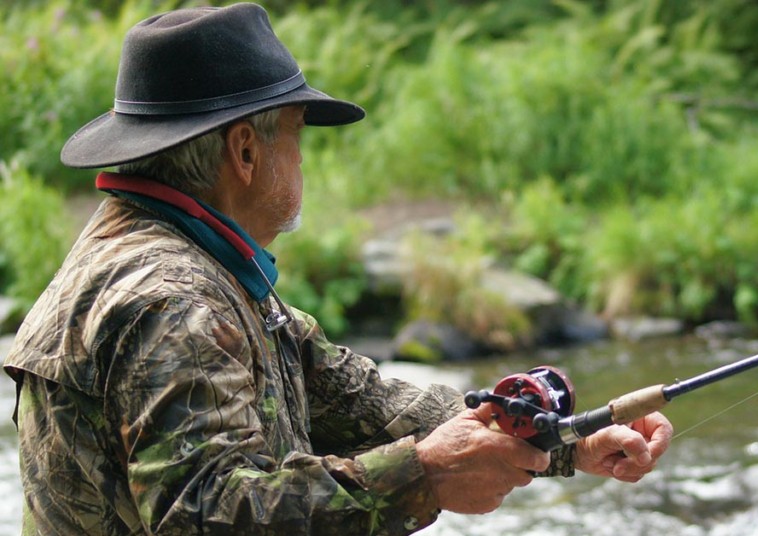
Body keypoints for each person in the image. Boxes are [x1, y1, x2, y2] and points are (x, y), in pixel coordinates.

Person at [3, 3, 673, 535]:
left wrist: (564, 442)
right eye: (295, 132)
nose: (302, 159)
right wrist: (424, 477)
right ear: (244, 152)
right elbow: (204, 514)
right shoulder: (175, 301)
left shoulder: (187, 261)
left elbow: (359, 401)